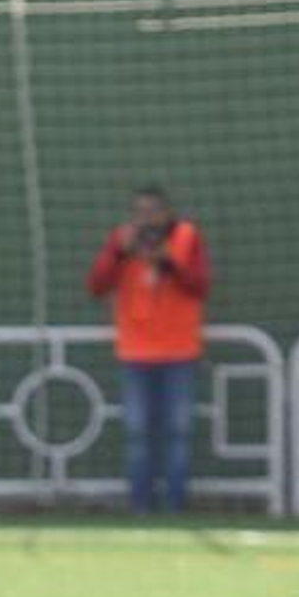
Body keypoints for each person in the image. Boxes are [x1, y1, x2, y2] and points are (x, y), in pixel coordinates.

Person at [86, 186, 211, 513]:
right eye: (141, 212)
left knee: (178, 432)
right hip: (136, 352)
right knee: (138, 433)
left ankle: (175, 506)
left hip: (179, 351)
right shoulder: (121, 240)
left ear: (167, 212)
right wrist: (118, 253)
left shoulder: (186, 237)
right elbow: (97, 285)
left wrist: (167, 263)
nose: (148, 219)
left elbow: (199, 285)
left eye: (154, 211)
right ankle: (140, 506)